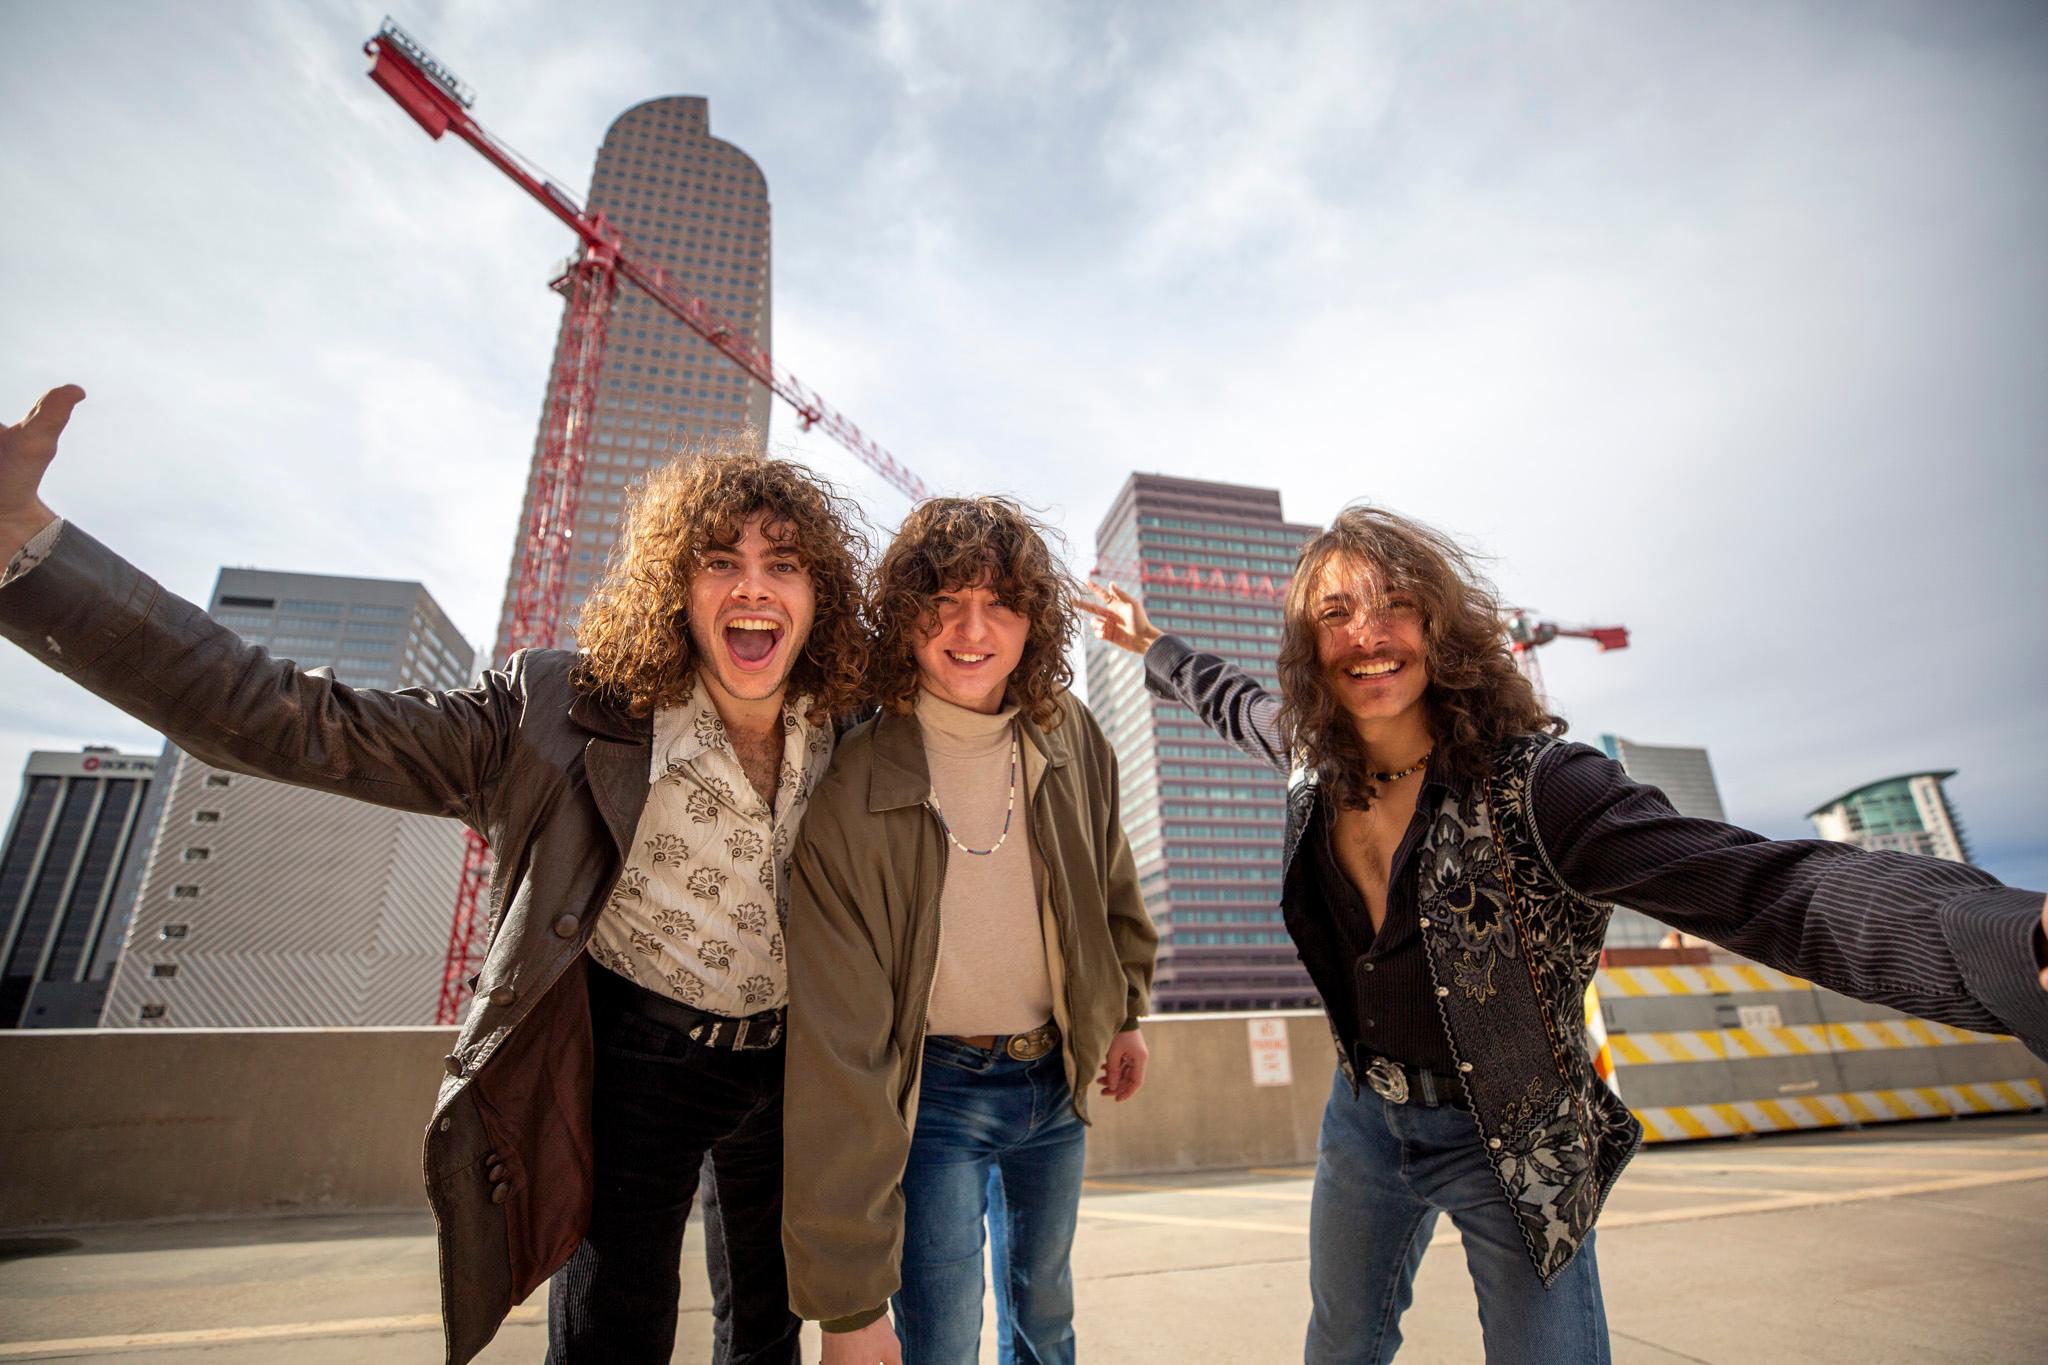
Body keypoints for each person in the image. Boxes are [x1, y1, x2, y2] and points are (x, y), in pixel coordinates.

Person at [0, 385, 873, 1365]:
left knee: (771, 1331)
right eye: (722, 562)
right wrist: (31, 554)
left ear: (816, 593)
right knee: (612, 1334)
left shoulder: (844, 722)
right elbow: (292, 715)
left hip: (795, 1064)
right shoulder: (555, 711)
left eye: (782, 566)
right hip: (640, 1062)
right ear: (677, 587)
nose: (753, 588)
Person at [1080, 504, 2048, 1364]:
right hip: (1363, 1117)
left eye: (1392, 605)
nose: (1365, 636)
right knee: (1340, 1340)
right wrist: (1149, 640)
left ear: (1440, 625)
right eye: (1332, 615)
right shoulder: (1309, 752)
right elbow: (1224, 696)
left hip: (1509, 1128)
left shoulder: (1540, 786)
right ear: (1307, 644)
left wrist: (2013, 942)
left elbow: (1768, 890)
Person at [781, 496, 1157, 1365]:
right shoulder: (853, 783)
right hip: (936, 1097)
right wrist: (846, 1306)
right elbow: (838, 1049)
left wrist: (1125, 1012)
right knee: (940, 1339)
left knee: (1047, 1323)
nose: (971, 628)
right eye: (943, 600)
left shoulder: (1069, 735)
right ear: (904, 615)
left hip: (1056, 1078)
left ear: (1034, 621)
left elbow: (1112, 883)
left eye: (999, 602)